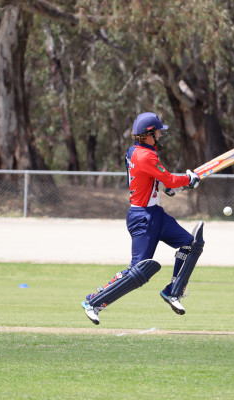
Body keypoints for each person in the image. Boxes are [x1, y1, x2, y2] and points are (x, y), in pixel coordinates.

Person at [81, 112, 205, 325]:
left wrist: (166, 187)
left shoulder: (137, 151)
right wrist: (187, 179)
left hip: (155, 213)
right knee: (138, 272)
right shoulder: (145, 155)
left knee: (191, 244)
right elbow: (168, 178)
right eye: (158, 132)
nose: (160, 135)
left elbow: (152, 179)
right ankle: (94, 302)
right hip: (142, 218)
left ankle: (173, 291)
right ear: (148, 134)